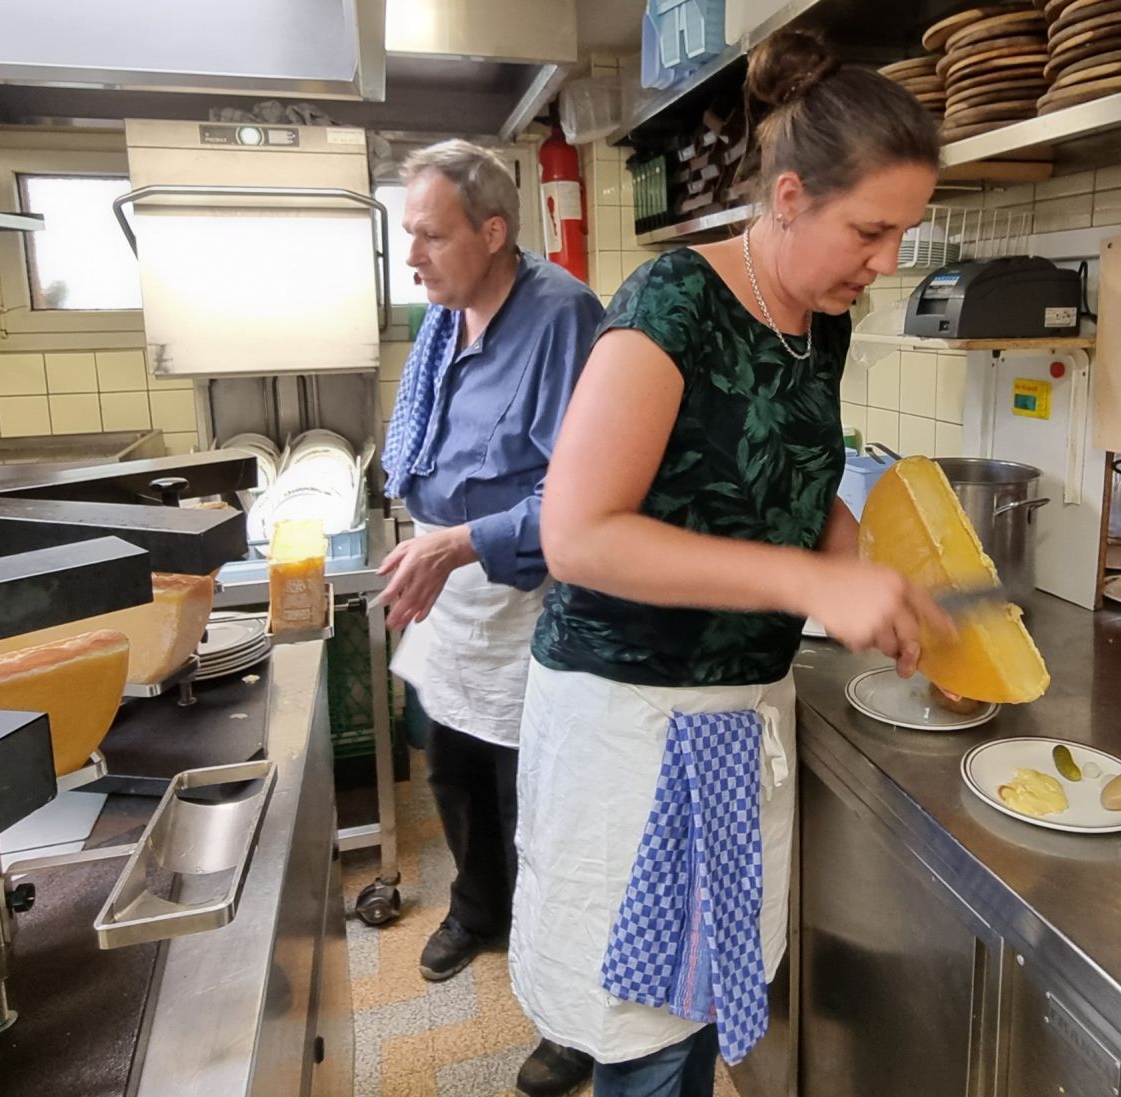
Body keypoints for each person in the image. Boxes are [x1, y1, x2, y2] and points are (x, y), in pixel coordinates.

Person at [509, 28, 953, 1097]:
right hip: (631, 722)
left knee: (690, 1016)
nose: (887, 262)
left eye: (904, 233)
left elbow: (793, 478)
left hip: (732, 717)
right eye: (871, 230)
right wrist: (809, 583)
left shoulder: (820, 320)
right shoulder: (675, 304)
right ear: (789, 197)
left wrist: (860, 565)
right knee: (650, 1044)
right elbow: (579, 533)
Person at [377, 139, 602, 1097]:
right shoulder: (446, 318)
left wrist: (458, 543)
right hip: (452, 587)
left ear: (496, 230)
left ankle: (571, 1014)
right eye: (409, 234)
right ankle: (478, 910)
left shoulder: (562, 319)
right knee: (455, 771)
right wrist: (432, 544)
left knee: (540, 813)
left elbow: (584, 496)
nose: (413, 256)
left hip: (528, 596)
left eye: (430, 236)